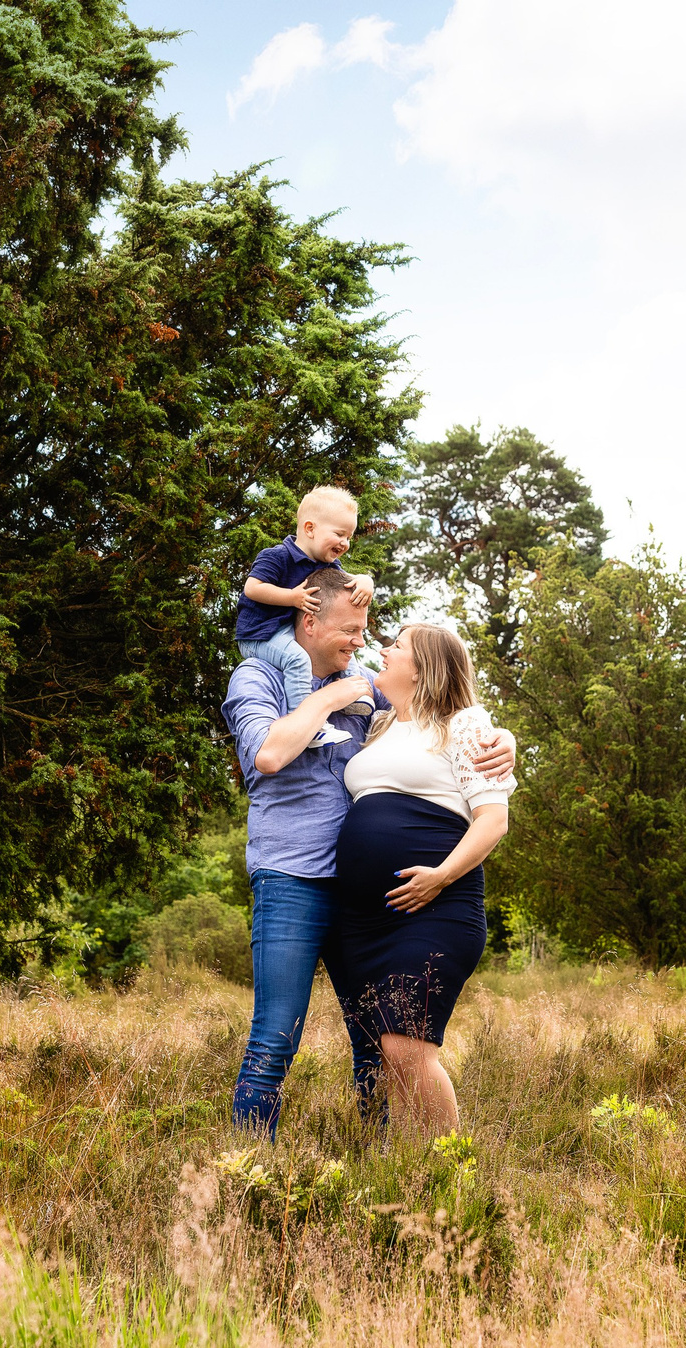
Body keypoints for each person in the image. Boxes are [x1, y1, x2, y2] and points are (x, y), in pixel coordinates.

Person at [222, 569, 515, 1139]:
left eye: (375, 634)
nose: (364, 642)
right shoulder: (261, 679)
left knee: (384, 1046)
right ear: (309, 620)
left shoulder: (373, 689)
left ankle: (401, 1163)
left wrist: (505, 740)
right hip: (295, 877)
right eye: (351, 629)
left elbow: (448, 714)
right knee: (278, 1034)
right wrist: (330, 697)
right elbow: (269, 755)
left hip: (385, 902)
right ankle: (247, 1170)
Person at [325, 622, 512, 1135]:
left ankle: (447, 1172)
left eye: (397, 647)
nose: (383, 651)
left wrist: (441, 876)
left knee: (407, 1046)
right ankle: (406, 1172)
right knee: (385, 1054)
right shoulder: (378, 725)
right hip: (362, 922)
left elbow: (493, 819)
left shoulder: (466, 725)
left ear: (425, 666)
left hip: (434, 909)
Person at [236, 486, 375, 712]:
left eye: (349, 537)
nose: (345, 543)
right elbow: (252, 588)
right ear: (310, 528)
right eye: (339, 534)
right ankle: (303, 715)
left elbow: (349, 581)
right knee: (298, 661)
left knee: (347, 653)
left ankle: (353, 698)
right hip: (260, 635)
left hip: (289, 633)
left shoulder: (330, 566)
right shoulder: (277, 556)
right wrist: (292, 597)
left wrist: (365, 581)